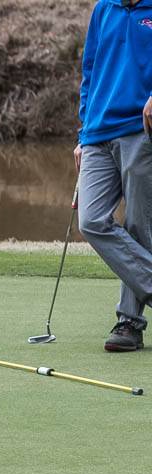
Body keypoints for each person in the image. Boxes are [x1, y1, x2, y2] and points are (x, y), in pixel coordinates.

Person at [75, 0, 152, 352]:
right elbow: (90, 71)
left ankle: (129, 323)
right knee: (90, 220)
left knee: (140, 225)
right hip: (96, 134)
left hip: (141, 130)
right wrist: (82, 131)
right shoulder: (103, 9)